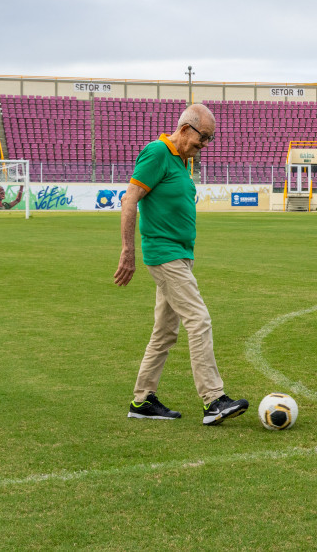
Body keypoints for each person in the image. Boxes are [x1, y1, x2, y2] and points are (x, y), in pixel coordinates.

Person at [113, 103, 248, 425]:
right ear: (186, 129)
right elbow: (130, 198)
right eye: (203, 139)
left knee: (164, 333)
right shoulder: (157, 152)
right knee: (199, 320)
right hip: (164, 254)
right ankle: (213, 399)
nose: (203, 147)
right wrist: (127, 252)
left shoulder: (180, 161)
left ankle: (142, 401)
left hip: (181, 255)